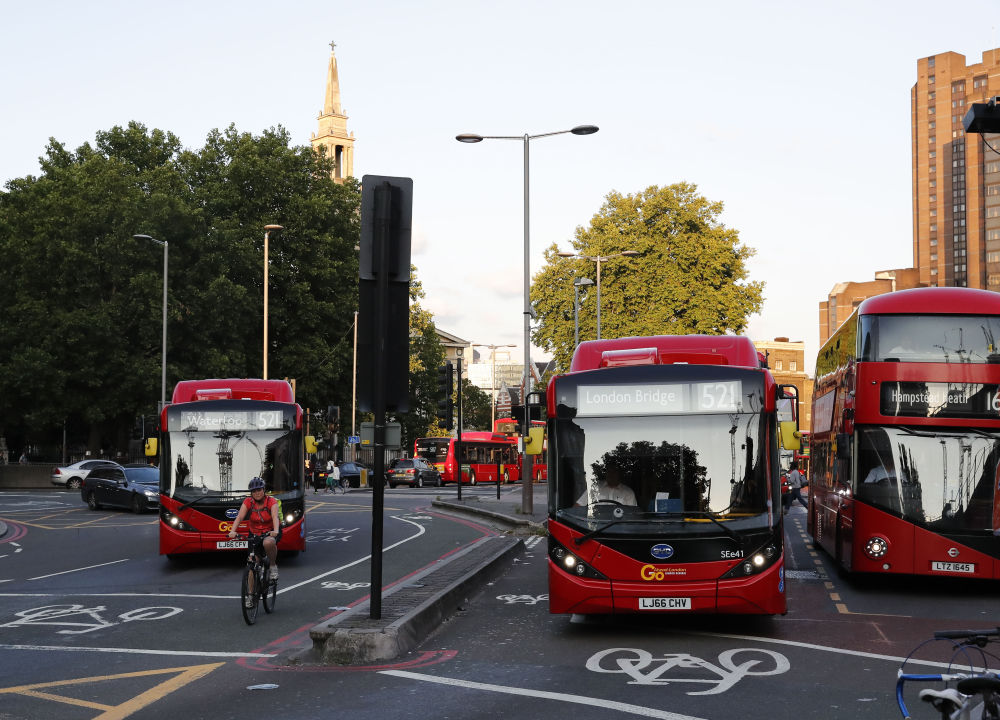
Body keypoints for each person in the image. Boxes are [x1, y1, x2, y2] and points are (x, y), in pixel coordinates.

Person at [227, 476, 281, 581]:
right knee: (252, 562)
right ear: (251, 493)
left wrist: (275, 531)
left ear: (264, 490)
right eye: (254, 491)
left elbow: (275, 517)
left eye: (259, 490)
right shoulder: (248, 502)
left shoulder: (271, 502)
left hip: (270, 531)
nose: (257, 493)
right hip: (254, 533)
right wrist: (233, 531)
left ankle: (273, 566)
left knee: (268, 543)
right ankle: (250, 591)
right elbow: (239, 517)